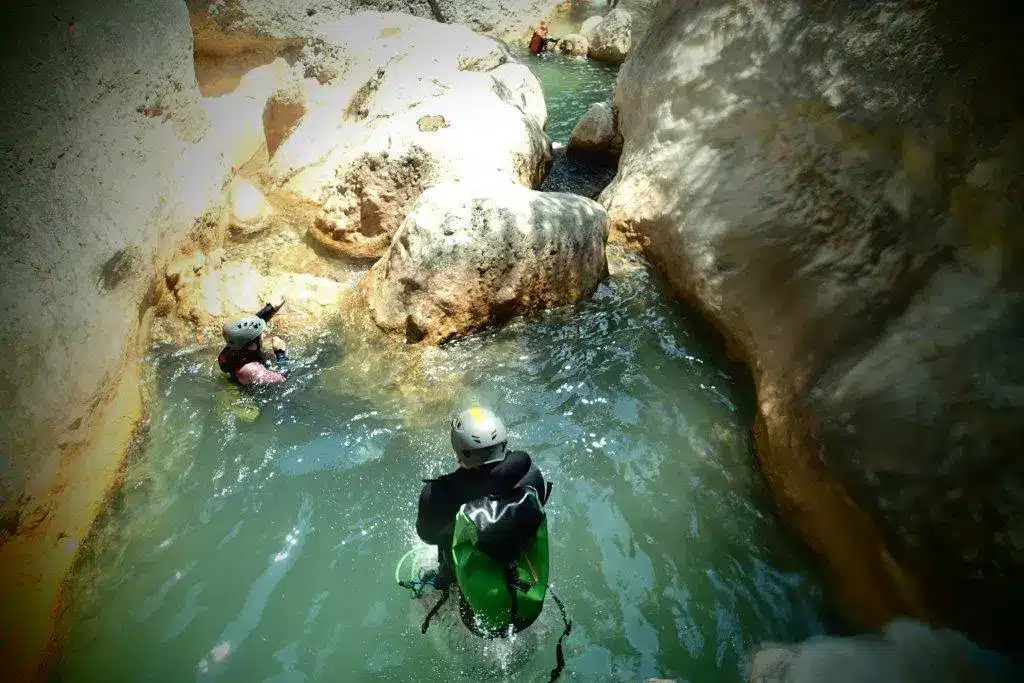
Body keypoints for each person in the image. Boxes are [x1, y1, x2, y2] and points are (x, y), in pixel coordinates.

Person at [416, 407, 550, 634]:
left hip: (473, 606)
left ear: (458, 449)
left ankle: (445, 589)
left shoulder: (437, 494)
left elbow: (427, 536)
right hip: (526, 583)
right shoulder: (532, 476)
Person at [217, 296, 289, 386]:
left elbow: (245, 326)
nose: (264, 335)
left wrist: (270, 308)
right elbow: (283, 379)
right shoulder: (251, 370)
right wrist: (280, 353)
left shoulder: (234, 345)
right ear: (252, 345)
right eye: (260, 334)